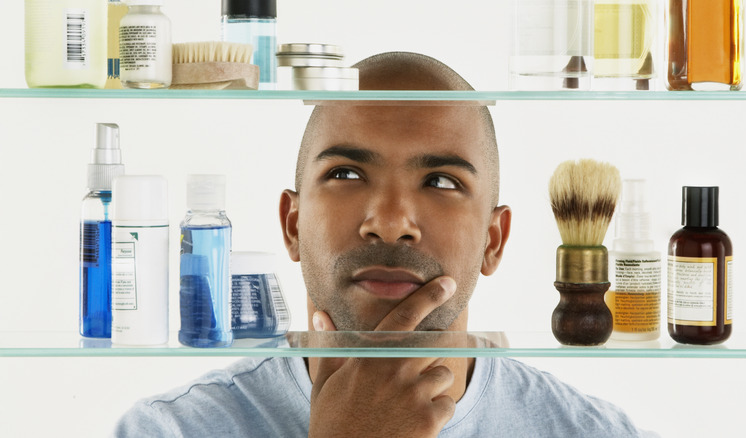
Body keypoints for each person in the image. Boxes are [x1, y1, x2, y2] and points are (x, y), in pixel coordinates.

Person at [114, 52, 650, 437]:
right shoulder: (172, 430)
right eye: (347, 173)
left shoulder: (593, 432)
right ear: (292, 225)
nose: (391, 224)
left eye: (440, 180)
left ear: (494, 240)